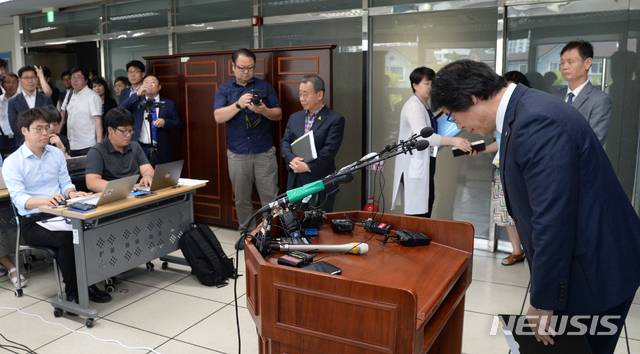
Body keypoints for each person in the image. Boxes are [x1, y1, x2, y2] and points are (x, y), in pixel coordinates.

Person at [430, 59, 640, 354]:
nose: (458, 126)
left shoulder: (536, 121)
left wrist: (544, 299)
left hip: (593, 269)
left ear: (472, 98)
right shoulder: (524, 110)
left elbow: (553, 217)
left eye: (453, 115)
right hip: (587, 258)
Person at [3, 107, 112, 305]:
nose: (46, 133)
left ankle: (89, 283)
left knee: (90, 228)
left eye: (48, 127)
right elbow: (20, 200)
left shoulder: (55, 154)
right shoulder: (13, 162)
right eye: (39, 129)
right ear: (24, 131)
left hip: (61, 213)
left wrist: (72, 193)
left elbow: (65, 183)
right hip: (33, 221)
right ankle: (74, 294)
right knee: (68, 237)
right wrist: (45, 200)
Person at [214, 48, 282, 237]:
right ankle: (247, 234)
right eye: (242, 68)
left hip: (264, 152)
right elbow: (218, 117)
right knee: (242, 199)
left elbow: (278, 114)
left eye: (250, 68)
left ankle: (271, 233)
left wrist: (263, 111)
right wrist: (237, 105)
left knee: (270, 197)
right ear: (233, 67)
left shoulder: (265, 87)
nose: (246, 71)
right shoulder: (225, 89)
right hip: (237, 153)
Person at [391, 67, 471, 218]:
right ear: (415, 85)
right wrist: (453, 140)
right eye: (426, 83)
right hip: (415, 165)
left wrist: (445, 140)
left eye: (432, 84)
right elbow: (424, 137)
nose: (430, 87)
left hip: (425, 163)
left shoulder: (424, 105)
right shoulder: (414, 107)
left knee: (426, 206)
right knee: (419, 214)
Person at [471, 71, 528, 265]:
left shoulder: (524, 114)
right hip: (500, 166)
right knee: (506, 213)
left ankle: (530, 250)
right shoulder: (499, 117)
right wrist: (483, 150)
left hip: (518, 169)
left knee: (522, 212)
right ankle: (516, 250)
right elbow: (499, 142)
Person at [281, 75, 345, 212]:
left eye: (306, 94)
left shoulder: (335, 119)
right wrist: (292, 159)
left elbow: (330, 150)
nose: (301, 99)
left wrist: (308, 167)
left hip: (320, 180)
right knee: (295, 221)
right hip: (296, 179)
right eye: (300, 94)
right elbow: (285, 142)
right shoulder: (295, 117)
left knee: (318, 226)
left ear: (319, 94)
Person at [554, 40, 612, 145]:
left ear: (587, 63)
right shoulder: (554, 97)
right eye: (562, 62)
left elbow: (594, 141)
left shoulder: (600, 100)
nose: (564, 67)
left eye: (570, 62)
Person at [85, 108, 154, 193]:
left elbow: (147, 169)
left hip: (135, 193)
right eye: (124, 131)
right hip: (112, 197)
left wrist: (148, 176)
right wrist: (120, 187)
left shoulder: (135, 146)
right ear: (110, 130)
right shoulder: (97, 151)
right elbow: (92, 182)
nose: (128, 135)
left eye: (131, 130)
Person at [118, 74, 182, 165]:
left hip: (161, 148)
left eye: (153, 82)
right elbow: (120, 109)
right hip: (140, 148)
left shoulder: (169, 104)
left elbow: (178, 124)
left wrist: (165, 122)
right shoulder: (136, 102)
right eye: (146, 82)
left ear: (159, 86)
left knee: (161, 178)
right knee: (142, 177)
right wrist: (137, 94)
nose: (149, 85)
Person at [60, 67, 103, 156]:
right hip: (70, 144)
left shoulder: (92, 96)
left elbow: (98, 120)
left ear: (86, 80)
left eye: (79, 77)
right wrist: (57, 133)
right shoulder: (69, 94)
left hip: (87, 145)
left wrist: (99, 145)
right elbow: (63, 115)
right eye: (73, 77)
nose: (75, 80)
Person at [8, 66, 53, 146]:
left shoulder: (46, 99)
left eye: (33, 77)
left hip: (44, 141)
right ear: (20, 80)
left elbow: (51, 120)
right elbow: (14, 124)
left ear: (36, 79)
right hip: (23, 143)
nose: (30, 81)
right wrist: (31, 137)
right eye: (26, 78)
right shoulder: (13, 102)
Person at [0, 73, 19, 147]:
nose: (11, 85)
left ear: (18, 84)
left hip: (18, 137)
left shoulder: (22, 100)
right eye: (8, 82)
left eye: (14, 82)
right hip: (2, 138)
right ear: (2, 84)